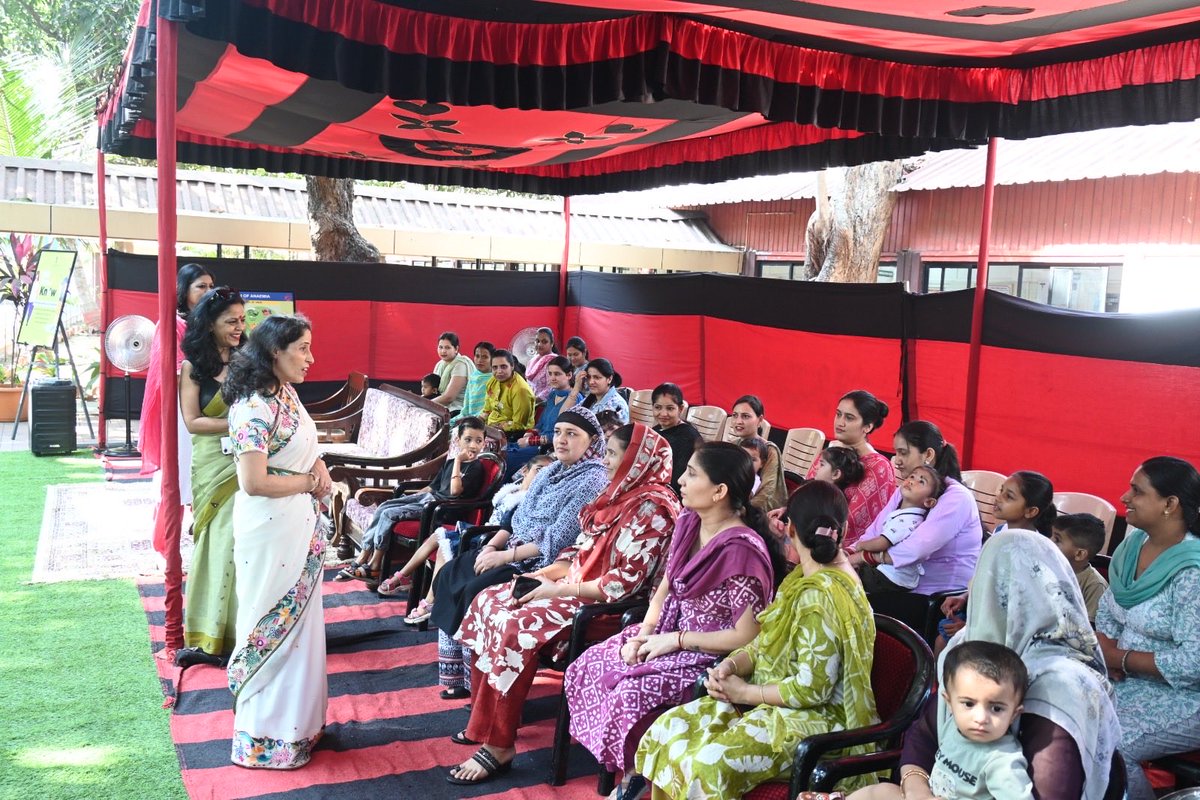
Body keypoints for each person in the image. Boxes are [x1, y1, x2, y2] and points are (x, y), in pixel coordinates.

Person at [447, 424, 681, 785]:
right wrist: (546, 577)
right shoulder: (616, 495)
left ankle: (499, 744)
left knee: (516, 625)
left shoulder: (653, 509)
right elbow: (577, 552)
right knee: (489, 601)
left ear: (636, 461)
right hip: (573, 588)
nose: (605, 463)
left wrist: (555, 592)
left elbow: (622, 584)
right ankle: (487, 721)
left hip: (602, 609)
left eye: (613, 456)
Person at [636, 480, 879, 800]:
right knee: (668, 729)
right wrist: (733, 665)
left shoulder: (821, 597)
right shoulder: (803, 580)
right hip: (777, 698)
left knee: (709, 764)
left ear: (789, 529)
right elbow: (767, 641)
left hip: (818, 720)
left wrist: (746, 691)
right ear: (843, 529)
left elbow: (814, 688)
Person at [565, 442, 782, 795]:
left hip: (711, 654)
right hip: (668, 631)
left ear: (720, 491)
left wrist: (674, 640)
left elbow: (745, 637)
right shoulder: (689, 521)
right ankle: (628, 769)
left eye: (692, 473)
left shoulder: (742, 551)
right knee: (589, 663)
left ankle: (635, 778)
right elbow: (666, 585)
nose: (680, 479)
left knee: (629, 691)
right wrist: (644, 634)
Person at [863, 529, 1120, 800]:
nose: (972, 587)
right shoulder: (973, 645)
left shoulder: (1060, 686)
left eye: (980, 575)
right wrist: (917, 788)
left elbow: (1051, 791)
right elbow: (924, 734)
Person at [431, 407, 609, 698]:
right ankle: (458, 675)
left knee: (475, 589)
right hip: (512, 549)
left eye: (572, 434)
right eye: (559, 432)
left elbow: (556, 539)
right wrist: (490, 547)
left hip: (541, 564)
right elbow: (517, 519)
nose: (561, 440)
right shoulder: (550, 470)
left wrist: (503, 557)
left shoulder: (592, 480)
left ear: (591, 441)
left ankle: (478, 682)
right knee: (453, 573)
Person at [223, 314, 332, 769]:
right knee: (270, 622)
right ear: (274, 352)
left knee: (303, 629)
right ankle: (264, 738)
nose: (311, 357)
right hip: (270, 528)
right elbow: (253, 481)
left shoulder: (285, 393)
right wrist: (309, 482)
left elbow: (307, 444)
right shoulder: (252, 407)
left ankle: (300, 730)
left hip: (298, 524)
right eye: (302, 348)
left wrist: (320, 468)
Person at [1096, 456, 1200, 799]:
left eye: (1137, 491)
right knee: (1059, 712)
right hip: (1123, 677)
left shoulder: (1192, 572)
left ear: (1170, 504)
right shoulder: (1131, 547)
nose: (1125, 498)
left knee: (1110, 743)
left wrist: (1118, 658)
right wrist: (1105, 660)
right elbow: (1108, 616)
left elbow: (1194, 663)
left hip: (1184, 695)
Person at [845, 641, 1033, 800]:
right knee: (880, 791)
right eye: (968, 704)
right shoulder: (952, 726)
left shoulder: (1001, 763)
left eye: (997, 708)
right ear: (949, 703)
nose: (981, 718)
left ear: (1014, 715)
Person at [174, 287, 246, 667]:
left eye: (242, 320)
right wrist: (238, 425)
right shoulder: (193, 367)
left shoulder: (249, 361)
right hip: (212, 465)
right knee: (216, 540)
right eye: (230, 321)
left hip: (246, 460)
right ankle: (207, 631)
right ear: (209, 324)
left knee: (241, 541)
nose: (239, 327)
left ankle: (240, 628)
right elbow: (193, 421)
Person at [336, 416, 488, 584]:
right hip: (428, 498)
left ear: (483, 443)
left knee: (389, 514)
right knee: (384, 506)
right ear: (458, 440)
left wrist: (459, 461)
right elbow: (431, 487)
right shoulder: (450, 463)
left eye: (478, 441)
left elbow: (455, 490)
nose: (473, 445)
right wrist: (408, 499)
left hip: (442, 509)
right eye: (468, 440)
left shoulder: (476, 467)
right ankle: (363, 556)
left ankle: (374, 566)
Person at [850, 421, 980, 594]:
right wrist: (847, 552)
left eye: (903, 453)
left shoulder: (956, 497)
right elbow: (875, 530)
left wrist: (863, 557)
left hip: (937, 598)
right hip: (894, 582)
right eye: (896, 452)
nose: (897, 460)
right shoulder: (907, 488)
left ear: (928, 454)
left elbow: (916, 549)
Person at [143, 262, 213, 556]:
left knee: (205, 479)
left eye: (211, 286)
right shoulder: (171, 323)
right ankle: (165, 548)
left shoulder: (210, 322)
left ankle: (205, 545)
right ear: (184, 292)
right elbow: (170, 372)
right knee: (177, 481)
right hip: (182, 414)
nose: (208, 292)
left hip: (208, 409)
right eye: (201, 287)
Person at [808, 391, 896, 546]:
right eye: (838, 414)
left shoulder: (878, 468)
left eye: (849, 418)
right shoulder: (830, 453)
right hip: (807, 530)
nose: (840, 422)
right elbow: (805, 491)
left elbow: (853, 522)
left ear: (867, 427)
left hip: (841, 549)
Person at [853, 464, 945, 593]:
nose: (912, 481)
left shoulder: (907, 520)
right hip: (892, 575)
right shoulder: (905, 514)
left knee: (849, 574)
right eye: (912, 476)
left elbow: (881, 543)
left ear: (929, 502)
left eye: (921, 481)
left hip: (890, 578)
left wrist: (861, 545)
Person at [504, 354, 572, 478]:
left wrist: (530, 441)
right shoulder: (552, 395)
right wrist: (530, 433)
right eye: (550, 374)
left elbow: (561, 434)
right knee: (502, 450)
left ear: (569, 375)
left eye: (557, 374)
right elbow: (541, 423)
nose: (552, 378)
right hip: (536, 443)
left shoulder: (574, 399)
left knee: (508, 458)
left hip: (549, 448)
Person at [726, 395, 786, 512]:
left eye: (746, 416)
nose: (738, 421)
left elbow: (767, 490)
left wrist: (742, 512)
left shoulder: (769, 450)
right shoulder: (732, 446)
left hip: (758, 513)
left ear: (760, 420)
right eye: (735, 415)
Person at [1049, 513, 1109, 624]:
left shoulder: (1094, 586)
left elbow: (1090, 628)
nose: (1049, 541)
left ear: (1080, 554)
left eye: (1057, 540)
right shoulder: (1045, 569)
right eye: (1051, 536)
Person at [651, 382, 702, 497]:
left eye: (670, 408)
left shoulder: (688, 437)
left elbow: (678, 480)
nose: (663, 413)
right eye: (658, 407)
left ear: (681, 409)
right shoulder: (655, 431)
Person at [481, 348, 535, 434]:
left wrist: (498, 427)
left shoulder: (521, 390)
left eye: (503, 367)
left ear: (512, 366)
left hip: (513, 433)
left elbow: (519, 425)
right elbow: (487, 409)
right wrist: (478, 421)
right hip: (491, 428)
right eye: (495, 367)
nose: (499, 371)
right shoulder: (492, 382)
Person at [991, 471, 1057, 536]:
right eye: (1001, 490)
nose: (997, 498)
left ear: (1030, 511)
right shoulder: (999, 530)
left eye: (1009, 496)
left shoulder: (1034, 544)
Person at [566, 358, 629, 423]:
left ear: (609, 379)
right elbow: (565, 417)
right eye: (588, 377)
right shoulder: (591, 400)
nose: (591, 382)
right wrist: (576, 388)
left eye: (596, 377)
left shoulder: (615, 405)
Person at [431, 332, 473, 414]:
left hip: (458, 409)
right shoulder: (439, 364)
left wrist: (427, 404)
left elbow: (449, 397)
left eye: (447, 348)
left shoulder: (461, 364)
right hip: (440, 404)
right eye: (440, 347)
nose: (443, 351)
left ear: (456, 349)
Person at [460, 341, 493, 418]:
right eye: (477, 356)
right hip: (468, 417)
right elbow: (466, 406)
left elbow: (490, 409)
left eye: (485, 357)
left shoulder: (495, 380)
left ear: (492, 359)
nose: (480, 360)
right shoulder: (473, 376)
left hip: (485, 420)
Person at [524, 327, 559, 400]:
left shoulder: (554, 361)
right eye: (537, 341)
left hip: (545, 403)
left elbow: (552, 386)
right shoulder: (532, 361)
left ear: (552, 343)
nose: (539, 344)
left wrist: (535, 400)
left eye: (544, 342)